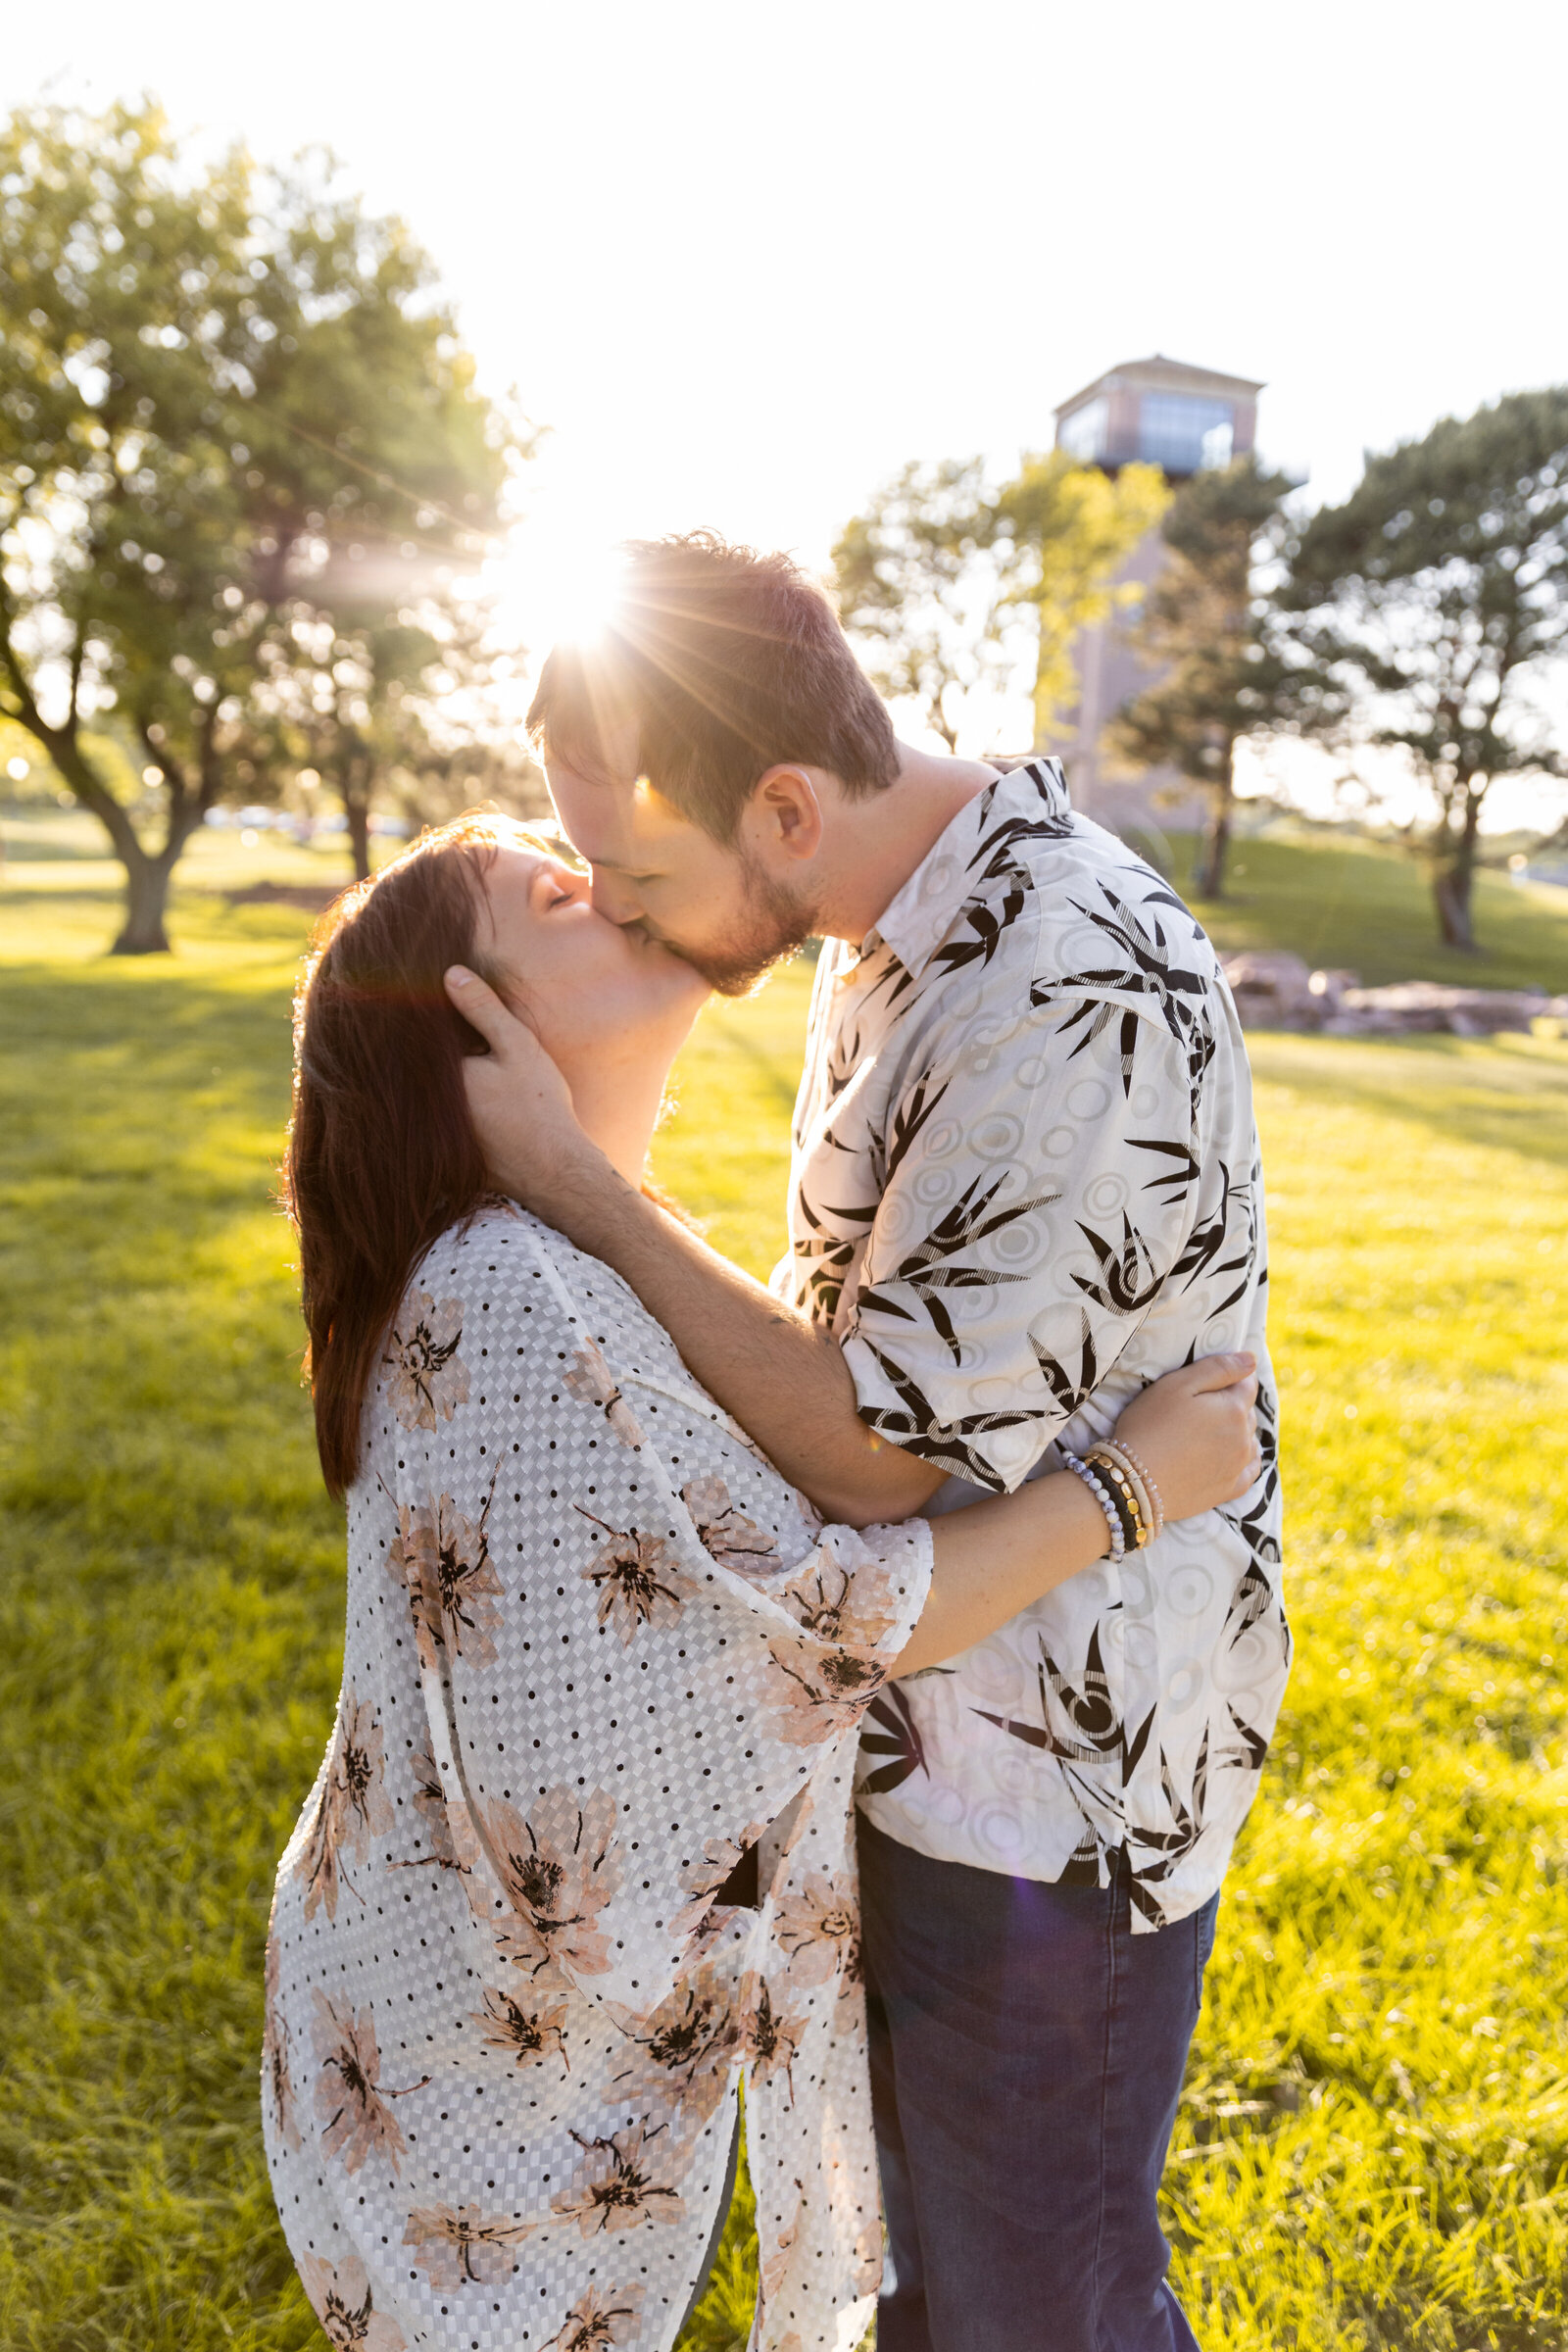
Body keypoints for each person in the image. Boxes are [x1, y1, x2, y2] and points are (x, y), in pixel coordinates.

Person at [441, 533, 1291, 2352]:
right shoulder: (886, 928)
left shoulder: (1062, 980)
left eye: (641, 870)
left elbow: (873, 1459)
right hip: (899, 1726)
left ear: (779, 806)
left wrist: (580, 1186)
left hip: (1045, 1783)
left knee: (1036, 2306)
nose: (627, 910)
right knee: (926, 2289)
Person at [262, 810, 1260, 2352]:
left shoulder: (546, 1260)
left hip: (437, 2018)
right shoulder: (511, 1297)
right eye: (554, 891)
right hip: (477, 2073)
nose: (611, 880)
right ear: (478, 1027)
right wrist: (1129, 1490)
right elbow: (809, 1623)